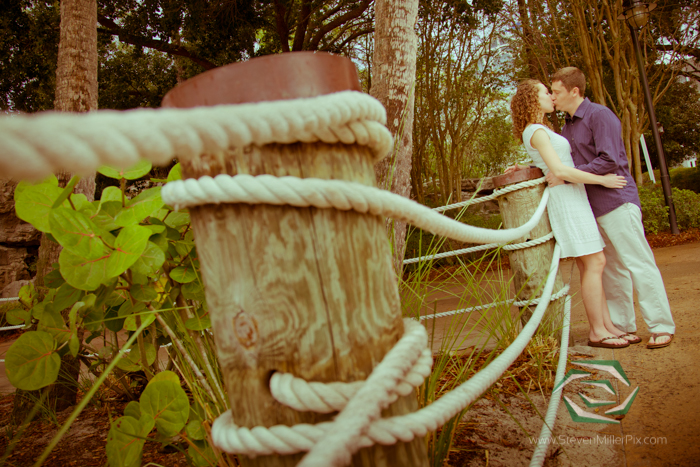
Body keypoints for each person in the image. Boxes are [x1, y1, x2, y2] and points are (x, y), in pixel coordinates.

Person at [548, 67, 675, 349]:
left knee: (638, 263)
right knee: (613, 269)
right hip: (592, 207)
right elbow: (561, 164)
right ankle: (622, 326)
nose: (552, 97)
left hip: (617, 201)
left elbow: (609, 160)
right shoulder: (568, 125)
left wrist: (569, 174)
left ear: (574, 91)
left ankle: (661, 326)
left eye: (556, 91)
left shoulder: (599, 115)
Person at [507, 79, 633, 349]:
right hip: (566, 201)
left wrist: (528, 165)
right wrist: (603, 181)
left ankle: (608, 326)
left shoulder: (541, 130)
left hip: (575, 196)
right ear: (532, 99)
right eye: (545, 92)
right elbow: (560, 171)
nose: (551, 96)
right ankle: (598, 331)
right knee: (595, 262)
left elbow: (554, 166)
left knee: (592, 263)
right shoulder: (536, 131)